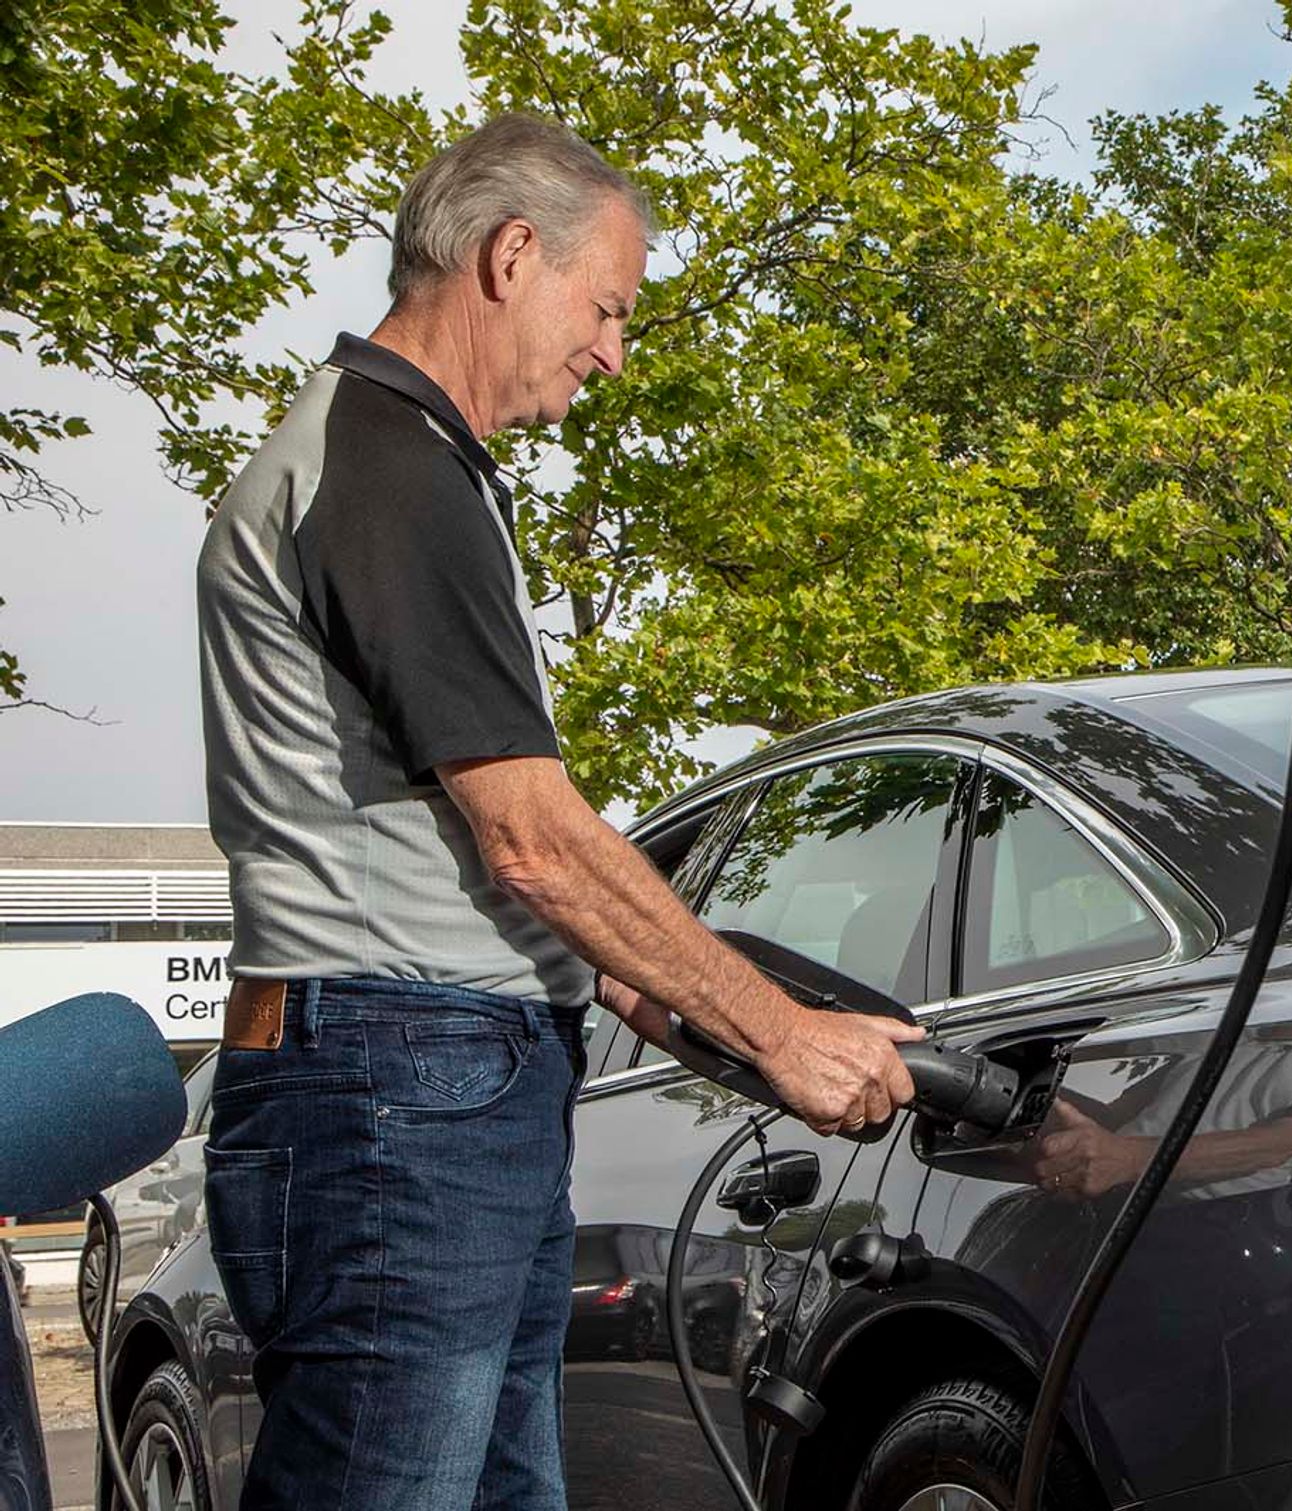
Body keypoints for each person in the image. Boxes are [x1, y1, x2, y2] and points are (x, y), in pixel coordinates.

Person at [194, 113, 920, 1511]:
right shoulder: (387, 468)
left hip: (439, 1079)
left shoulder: (407, 465)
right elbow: (530, 834)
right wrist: (780, 1036)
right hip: (397, 1089)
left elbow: (459, 843)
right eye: (609, 307)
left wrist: (684, 1000)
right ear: (513, 254)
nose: (612, 351)